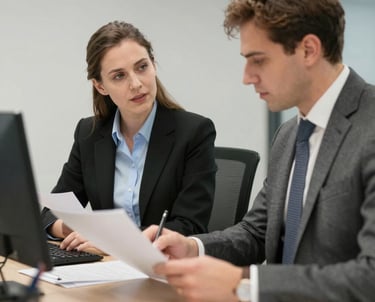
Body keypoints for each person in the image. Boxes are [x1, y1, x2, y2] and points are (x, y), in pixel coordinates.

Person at [144, 0, 375, 301]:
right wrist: (192, 247)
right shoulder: (290, 134)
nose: (247, 76)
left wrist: (245, 283)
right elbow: (255, 233)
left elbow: (370, 276)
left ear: (308, 50)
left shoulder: (368, 127)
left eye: (259, 60)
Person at [41, 21, 217, 252]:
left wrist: (112, 241)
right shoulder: (89, 134)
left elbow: (189, 226)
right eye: (119, 76)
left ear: (153, 65)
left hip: (164, 270)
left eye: (142, 67)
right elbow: (50, 214)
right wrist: (73, 229)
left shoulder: (194, 132)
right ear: (100, 86)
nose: (136, 84)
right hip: (107, 271)